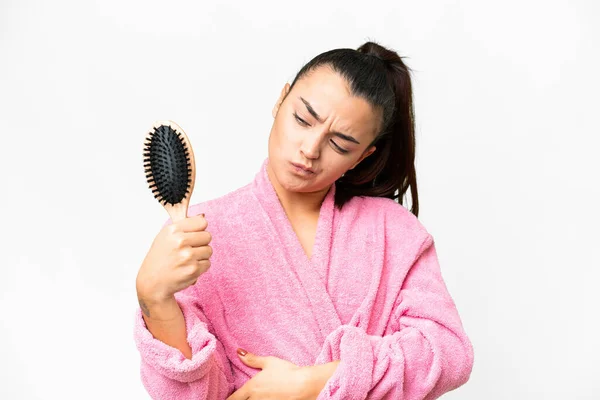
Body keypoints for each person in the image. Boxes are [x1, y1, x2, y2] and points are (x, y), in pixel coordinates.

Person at [134, 41, 474, 400]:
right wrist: (154, 301)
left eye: (341, 144)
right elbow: (197, 394)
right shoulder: (199, 235)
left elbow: (448, 353)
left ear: (362, 156)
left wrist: (313, 382)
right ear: (280, 101)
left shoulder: (394, 232)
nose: (310, 150)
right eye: (302, 119)